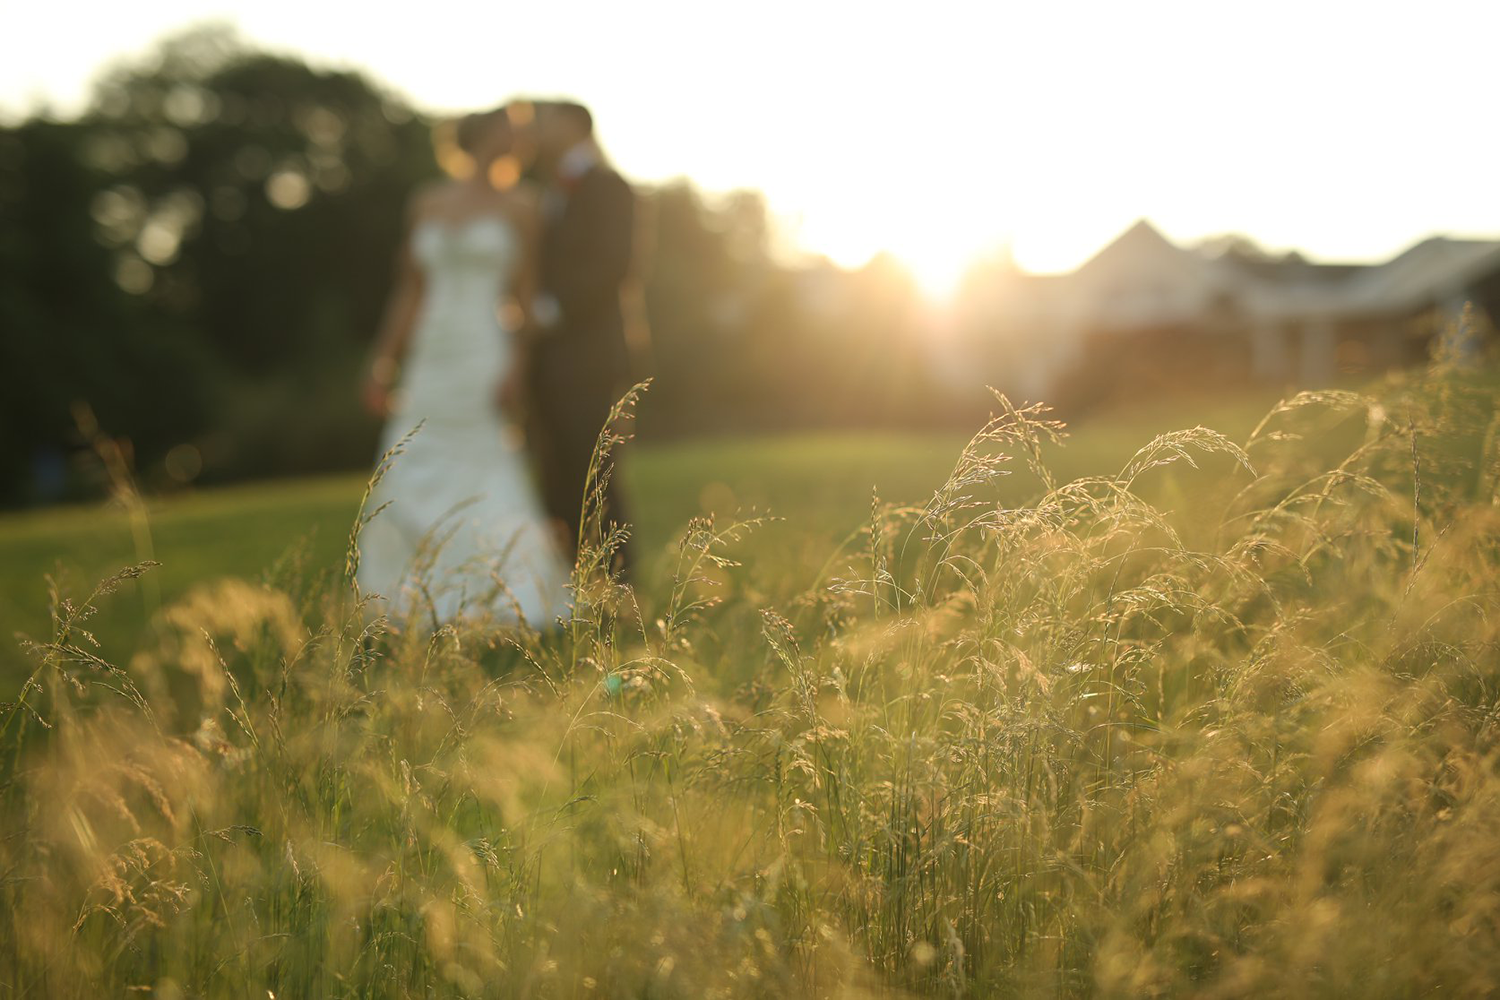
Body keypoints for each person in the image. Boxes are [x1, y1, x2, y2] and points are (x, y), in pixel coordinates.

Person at [357, 106, 568, 625]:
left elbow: (527, 296)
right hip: (431, 351)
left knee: (484, 460)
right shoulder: (426, 201)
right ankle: (407, 602)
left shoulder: (524, 206)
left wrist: (517, 363)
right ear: (475, 138)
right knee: (409, 452)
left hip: (483, 348)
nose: (515, 142)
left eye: (518, 136)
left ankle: (499, 596)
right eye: (506, 131)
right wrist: (382, 361)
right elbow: (410, 290)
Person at [522, 100, 638, 574]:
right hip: (546, 358)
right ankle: (571, 578)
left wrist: (548, 311)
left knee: (596, 472)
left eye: (543, 120)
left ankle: (620, 581)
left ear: (572, 126)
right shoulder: (548, 190)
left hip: (589, 356)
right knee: (555, 473)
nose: (534, 130)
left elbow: (614, 266)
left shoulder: (609, 186)